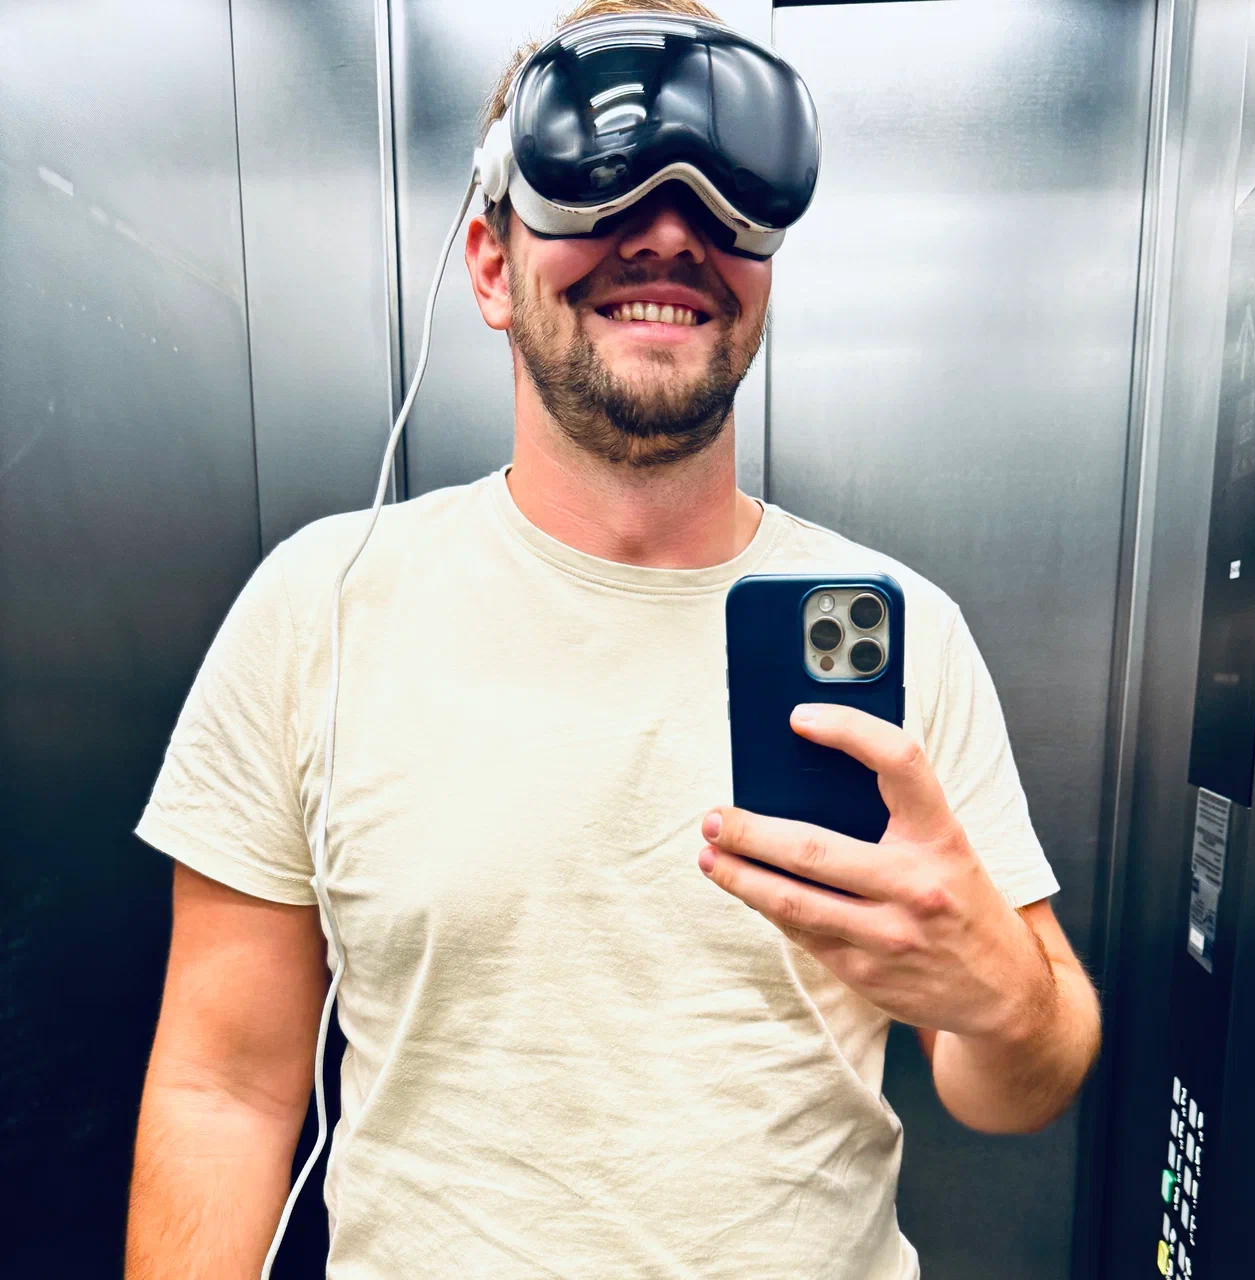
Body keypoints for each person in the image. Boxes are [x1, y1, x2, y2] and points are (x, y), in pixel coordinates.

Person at [125, 1, 1101, 1276]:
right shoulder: (321, 607)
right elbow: (222, 1090)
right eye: (601, 179)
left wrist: (1001, 993)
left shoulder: (898, 632)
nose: (671, 233)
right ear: (490, 264)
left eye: (724, 197)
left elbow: (1020, 1083)